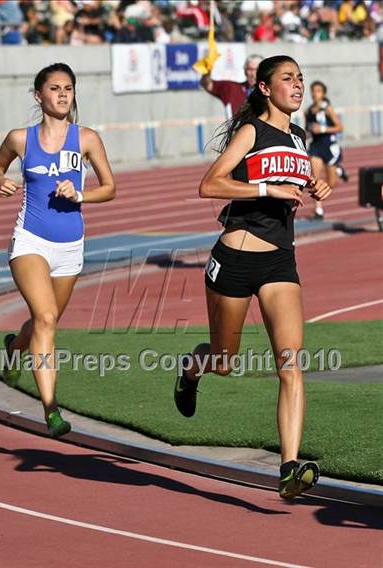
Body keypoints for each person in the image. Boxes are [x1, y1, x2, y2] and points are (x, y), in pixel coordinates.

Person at [174, 55, 332, 499]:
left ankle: (288, 468)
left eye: (301, 78)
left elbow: (294, 185)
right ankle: (191, 371)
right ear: (265, 88)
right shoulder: (252, 131)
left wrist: (315, 187)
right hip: (236, 257)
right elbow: (210, 184)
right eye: (288, 79)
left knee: (291, 364)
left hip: (281, 261)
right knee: (224, 360)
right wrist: (267, 189)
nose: (297, 85)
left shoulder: (299, 137)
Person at [0, 63, 115, 438]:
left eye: (69, 88)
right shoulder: (21, 139)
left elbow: (110, 188)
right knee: (44, 318)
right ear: (38, 95)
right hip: (31, 240)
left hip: (71, 246)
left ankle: (14, 348)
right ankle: (51, 409)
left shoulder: (87, 138)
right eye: (55, 88)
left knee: (47, 320)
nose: (62, 95)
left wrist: (81, 194)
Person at [305, 80, 348, 220]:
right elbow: (308, 130)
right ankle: (318, 210)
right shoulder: (308, 111)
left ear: (323, 93)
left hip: (329, 146)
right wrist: (307, 133)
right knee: (316, 180)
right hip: (316, 146)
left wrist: (322, 129)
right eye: (313, 91)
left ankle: (337, 170)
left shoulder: (327, 108)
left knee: (331, 183)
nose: (315, 94)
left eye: (318, 91)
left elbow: (340, 127)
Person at [200, 54, 263, 119]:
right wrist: (207, 71)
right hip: (237, 128)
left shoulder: (269, 91)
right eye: (250, 69)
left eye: (257, 70)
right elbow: (207, 85)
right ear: (244, 71)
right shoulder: (231, 89)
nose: (253, 74)